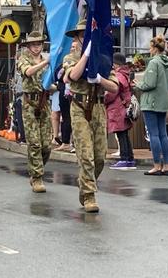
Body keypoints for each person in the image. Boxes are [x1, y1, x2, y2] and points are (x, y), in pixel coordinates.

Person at [63, 20, 119, 213]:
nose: (85, 38)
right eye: (82, 35)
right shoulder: (70, 57)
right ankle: (89, 195)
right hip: (79, 107)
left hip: (98, 107)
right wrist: (86, 56)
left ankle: (84, 184)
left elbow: (115, 86)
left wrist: (100, 79)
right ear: (78, 39)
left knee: (100, 157)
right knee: (86, 154)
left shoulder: (104, 59)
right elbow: (73, 76)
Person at [17, 31, 52, 193]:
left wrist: (54, 86)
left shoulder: (47, 61)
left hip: (44, 102)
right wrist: (45, 64)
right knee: (34, 143)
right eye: (33, 44)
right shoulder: (24, 59)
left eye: (38, 44)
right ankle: (37, 177)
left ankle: (36, 169)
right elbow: (28, 72)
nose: (36, 47)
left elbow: (51, 83)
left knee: (46, 146)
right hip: (30, 104)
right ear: (28, 46)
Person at [134, 35, 168, 174]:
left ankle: (156, 165)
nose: (149, 50)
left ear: (155, 48)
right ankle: (167, 165)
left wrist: (138, 85)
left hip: (151, 102)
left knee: (154, 134)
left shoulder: (153, 63)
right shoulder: (167, 62)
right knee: (163, 134)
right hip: (163, 101)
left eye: (150, 47)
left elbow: (149, 83)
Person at [106, 53, 136, 170]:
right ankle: (130, 158)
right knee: (124, 134)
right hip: (123, 107)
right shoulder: (126, 74)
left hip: (117, 108)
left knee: (121, 133)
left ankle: (124, 159)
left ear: (115, 63)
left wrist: (103, 99)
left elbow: (112, 92)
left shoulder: (118, 75)